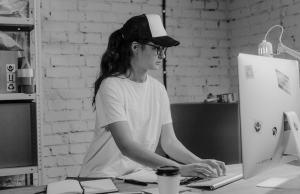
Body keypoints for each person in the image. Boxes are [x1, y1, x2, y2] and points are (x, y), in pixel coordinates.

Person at [79, 14, 226, 178]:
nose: (163, 56)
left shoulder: (158, 89)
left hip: (137, 176)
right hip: (102, 178)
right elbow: (127, 146)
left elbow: (169, 142)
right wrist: (178, 169)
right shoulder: (111, 86)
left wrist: (198, 162)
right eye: (157, 48)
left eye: (164, 49)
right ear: (135, 47)